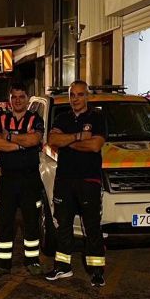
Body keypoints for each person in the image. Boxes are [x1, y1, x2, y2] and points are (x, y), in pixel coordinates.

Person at [45, 80, 107, 287]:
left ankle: (96, 271)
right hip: (64, 180)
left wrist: (68, 141)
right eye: (72, 95)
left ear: (87, 96)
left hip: (89, 180)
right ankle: (63, 267)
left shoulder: (97, 118)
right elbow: (53, 141)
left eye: (80, 95)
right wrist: (79, 137)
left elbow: (95, 146)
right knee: (63, 225)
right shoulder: (62, 117)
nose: (75, 99)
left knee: (91, 226)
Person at [0, 82, 45, 277]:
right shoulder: (0, 119)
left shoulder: (35, 118)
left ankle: (33, 261)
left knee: (31, 221)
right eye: (14, 97)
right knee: (4, 222)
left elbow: (34, 140)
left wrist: (10, 138)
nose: (18, 100)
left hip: (30, 179)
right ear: (10, 100)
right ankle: (2, 264)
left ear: (27, 99)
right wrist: (22, 144)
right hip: (8, 179)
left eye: (21, 97)